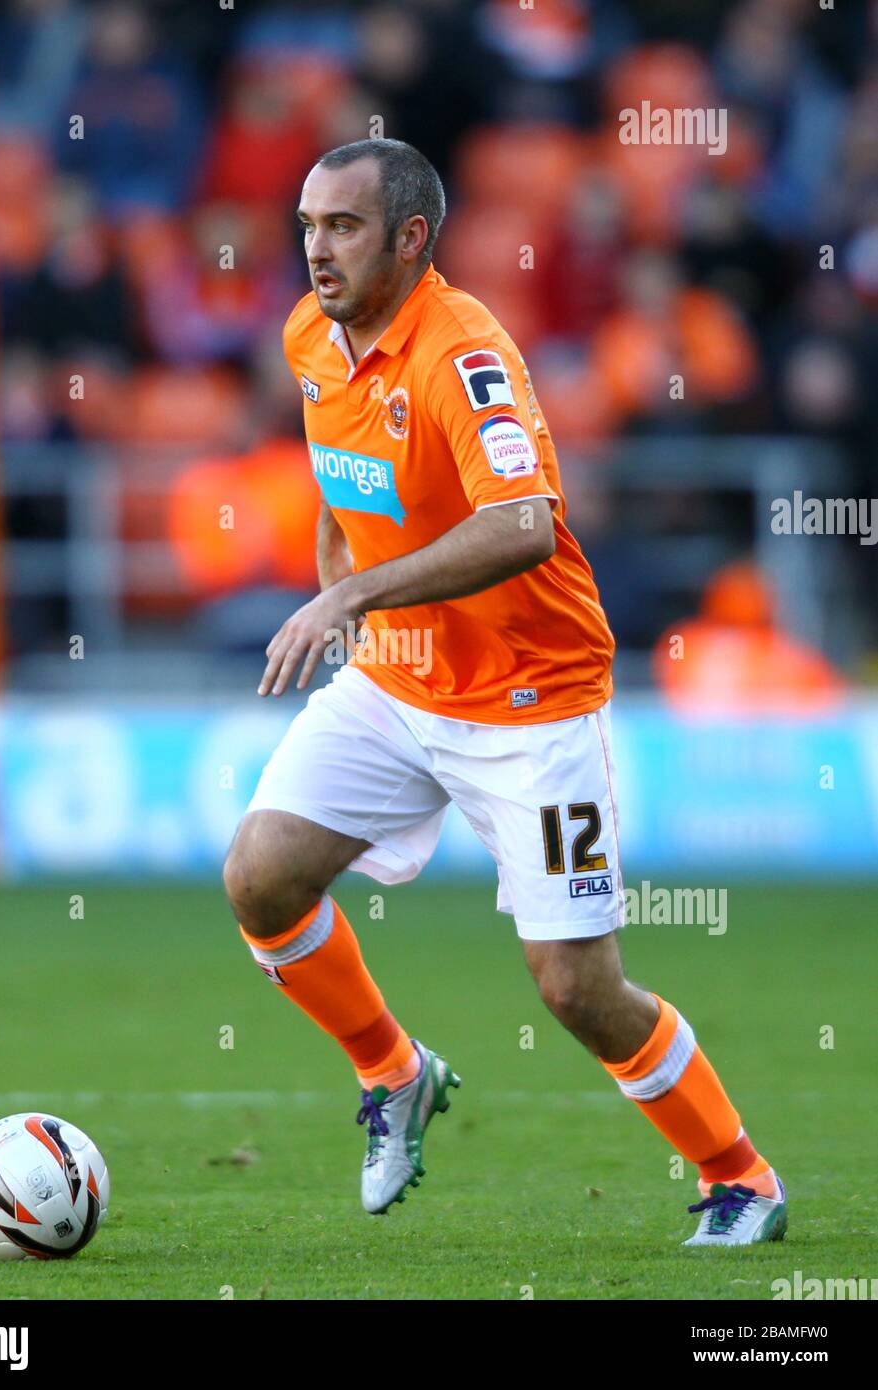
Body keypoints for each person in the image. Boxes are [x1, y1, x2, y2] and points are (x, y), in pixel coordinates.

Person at [223, 139, 786, 1245]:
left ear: (409, 237)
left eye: (341, 226)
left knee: (575, 988)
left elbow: (521, 526)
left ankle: (740, 1177)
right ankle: (394, 1072)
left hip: (530, 702)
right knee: (261, 877)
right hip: (394, 680)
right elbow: (343, 474)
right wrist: (347, 582)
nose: (315, 248)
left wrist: (346, 599)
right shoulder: (307, 337)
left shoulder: (463, 353)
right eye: (305, 224)